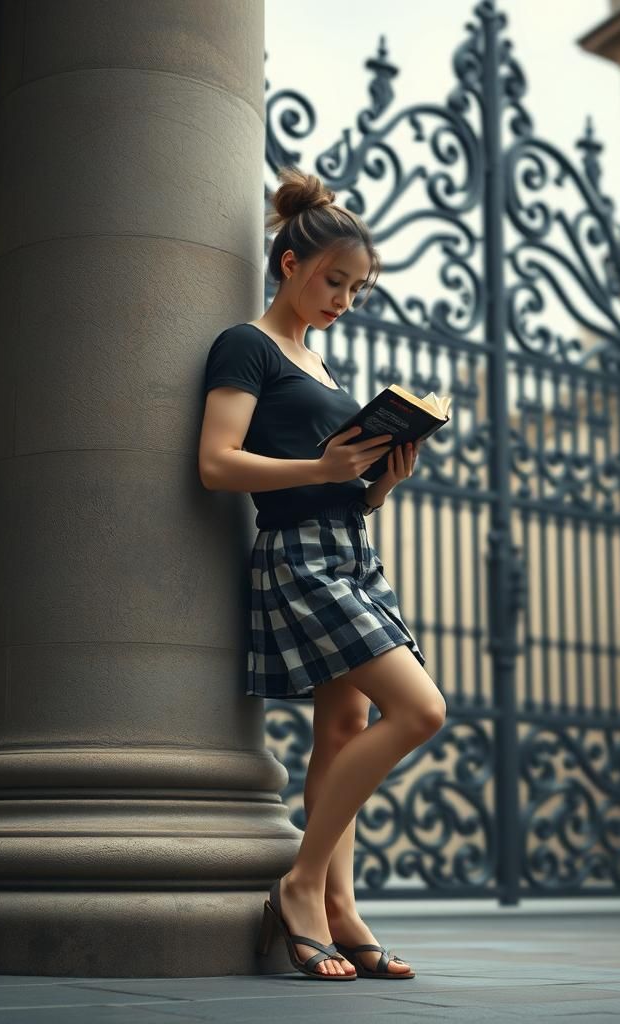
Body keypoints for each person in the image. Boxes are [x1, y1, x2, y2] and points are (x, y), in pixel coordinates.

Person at [198, 166, 447, 980]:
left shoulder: (323, 365)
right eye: (334, 281)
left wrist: (379, 481)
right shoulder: (248, 345)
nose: (343, 299)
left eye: (356, 288)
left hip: (352, 550)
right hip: (300, 558)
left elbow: (334, 477)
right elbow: (216, 464)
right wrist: (322, 467)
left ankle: (340, 905)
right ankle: (302, 886)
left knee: (341, 732)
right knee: (422, 710)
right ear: (290, 266)